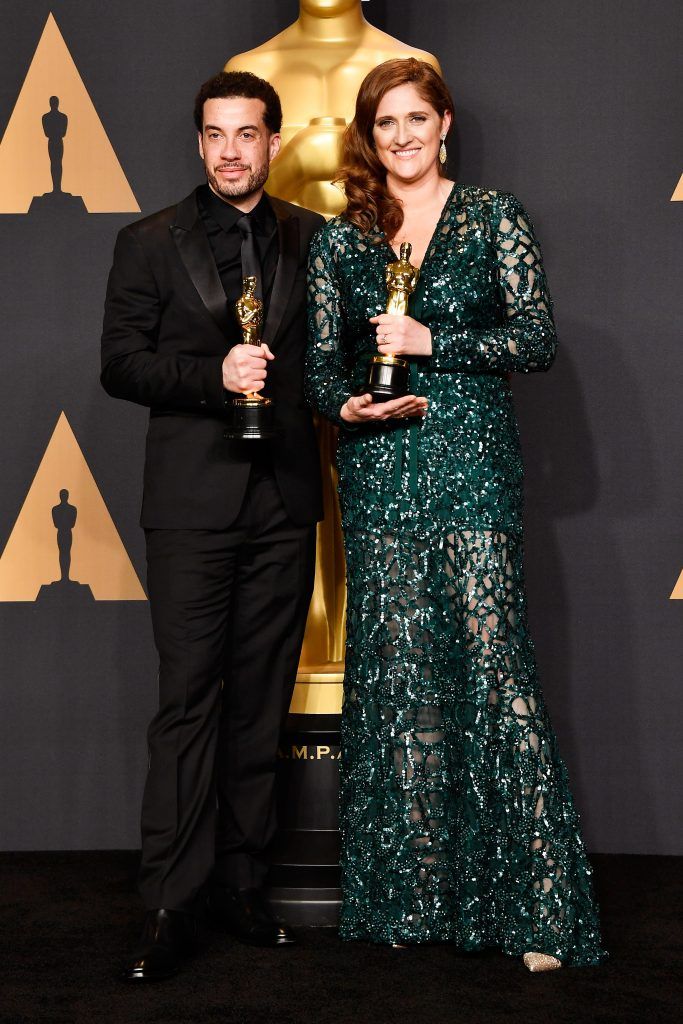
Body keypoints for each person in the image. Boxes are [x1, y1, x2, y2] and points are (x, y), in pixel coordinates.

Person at [305, 58, 606, 969]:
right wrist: (347, 405)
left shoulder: (492, 216)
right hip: (379, 469)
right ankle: (411, 902)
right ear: (370, 135)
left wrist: (436, 340)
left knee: (492, 674)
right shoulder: (340, 241)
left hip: (471, 463)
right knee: (399, 682)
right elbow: (322, 367)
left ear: (445, 126)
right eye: (382, 123)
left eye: (414, 119)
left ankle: (537, 915)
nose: (399, 136)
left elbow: (537, 337)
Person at [101, 70, 324, 982]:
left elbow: (323, 359)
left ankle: (240, 886)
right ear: (199, 143)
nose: (231, 149)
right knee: (189, 704)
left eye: (248, 133)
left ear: (273, 142)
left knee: (259, 706)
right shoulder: (147, 240)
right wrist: (213, 378)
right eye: (215, 134)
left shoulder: (316, 240)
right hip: (192, 508)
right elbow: (120, 364)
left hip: (282, 503)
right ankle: (168, 902)